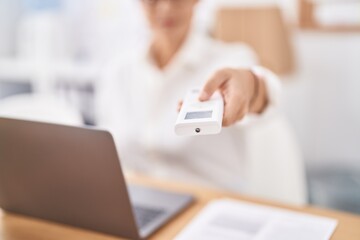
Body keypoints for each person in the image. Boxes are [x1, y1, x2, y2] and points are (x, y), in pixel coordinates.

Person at [96, 0, 306, 204]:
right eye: (153, 0)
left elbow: (264, 98)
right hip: (136, 204)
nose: (166, 7)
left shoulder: (231, 58)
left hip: (211, 206)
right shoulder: (117, 72)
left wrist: (251, 84)